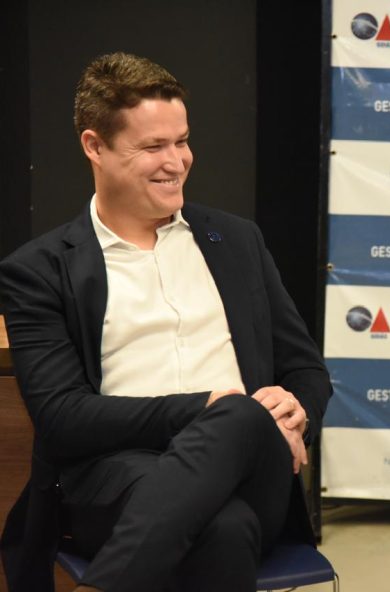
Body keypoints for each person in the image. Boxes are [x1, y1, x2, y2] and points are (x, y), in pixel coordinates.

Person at [0, 52, 332, 592]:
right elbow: (62, 417)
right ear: (94, 146)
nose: (176, 161)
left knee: (244, 419)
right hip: (115, 477)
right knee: (223, 526)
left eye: (181, 141)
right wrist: (206, 408)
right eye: (153, 146)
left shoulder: (237, 241)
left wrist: (298, 412)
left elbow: (307, 371)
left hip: (254, 471)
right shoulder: (41, 269)